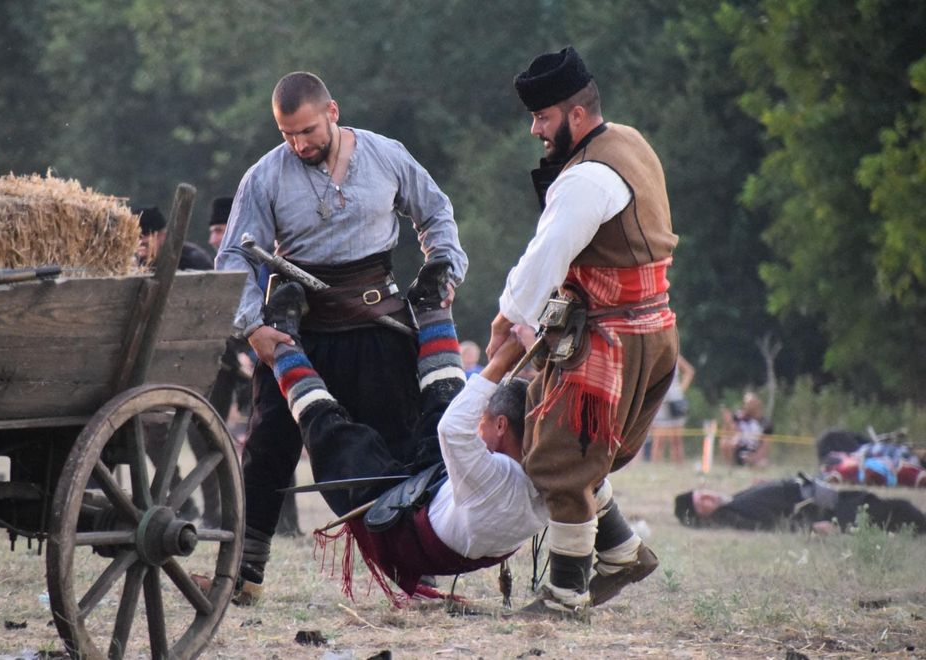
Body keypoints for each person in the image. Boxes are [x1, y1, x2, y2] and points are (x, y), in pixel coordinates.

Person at [215, 71, 468, 594]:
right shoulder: (264, 176)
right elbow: (235, 257)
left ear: (333, 111)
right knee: (265, 450)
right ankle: (243, 575)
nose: (298, 144)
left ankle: (411, 574)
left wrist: (444, 266)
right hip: (297, 332)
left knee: (398, 450)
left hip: (378, 329)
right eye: (287, 134)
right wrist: (254, 327)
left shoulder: (385, 155)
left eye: (306, 130)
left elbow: (436, 212)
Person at [260, 276, 656, 605]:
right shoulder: (563, 473)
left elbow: (454, 428)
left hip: (401, 536)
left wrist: (505, 358)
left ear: (500, 426)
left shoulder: (493, 472)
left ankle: (281, 341)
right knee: (442, 409)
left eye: (485, 423)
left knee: (330, 428)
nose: (478, 428)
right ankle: (432, 308)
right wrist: (543, 356)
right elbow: (547, 419)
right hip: (446, 500)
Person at [485, 46, 679, 618]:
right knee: (573, 452)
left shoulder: (586, 178)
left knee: (558, 462)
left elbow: (545, 259)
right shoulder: (630, 143)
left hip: (609, 340)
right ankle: (621, 555)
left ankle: (566, 595)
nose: (534, 131)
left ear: (574, 115)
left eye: (542, 119)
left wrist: (504, 319)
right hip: (650, 330)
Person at [674, 475, 926, 535]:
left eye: (703, 494)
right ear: (704, 517)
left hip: (827, 496)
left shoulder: (737, 498)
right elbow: (772, 525)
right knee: (899, 511)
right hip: (827, 512)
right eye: (703, 504)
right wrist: (811, 527)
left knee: (895, 507)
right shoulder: (731, 515)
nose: (709, 498)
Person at [133, 205, 213, 271]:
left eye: (145, 245)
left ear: (163, 236)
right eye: (136, 247)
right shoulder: (133, 262)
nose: (141, 253)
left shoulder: (192, 260)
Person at [649, 354, 695, 463]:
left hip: (675, 402)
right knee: (658, 440)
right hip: (661, 402)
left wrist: (680, 390)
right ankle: (655, 468)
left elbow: (689, 372)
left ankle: (678, 467)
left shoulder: (675, 356)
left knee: (677, 440)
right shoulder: (655, 356)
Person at [719, 391, 769, 467]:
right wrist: (728, 422)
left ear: (757, 404)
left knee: (763, 464)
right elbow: (729, 430)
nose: (748, 406)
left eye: (751, 403)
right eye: (747, 403)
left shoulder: (764, 422)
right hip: (738, 448)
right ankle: (730, 465)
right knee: (725, 442)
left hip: (753, 451)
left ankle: (751, 465)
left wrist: (754, 458)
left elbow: (765, 445)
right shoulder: (738, 416)